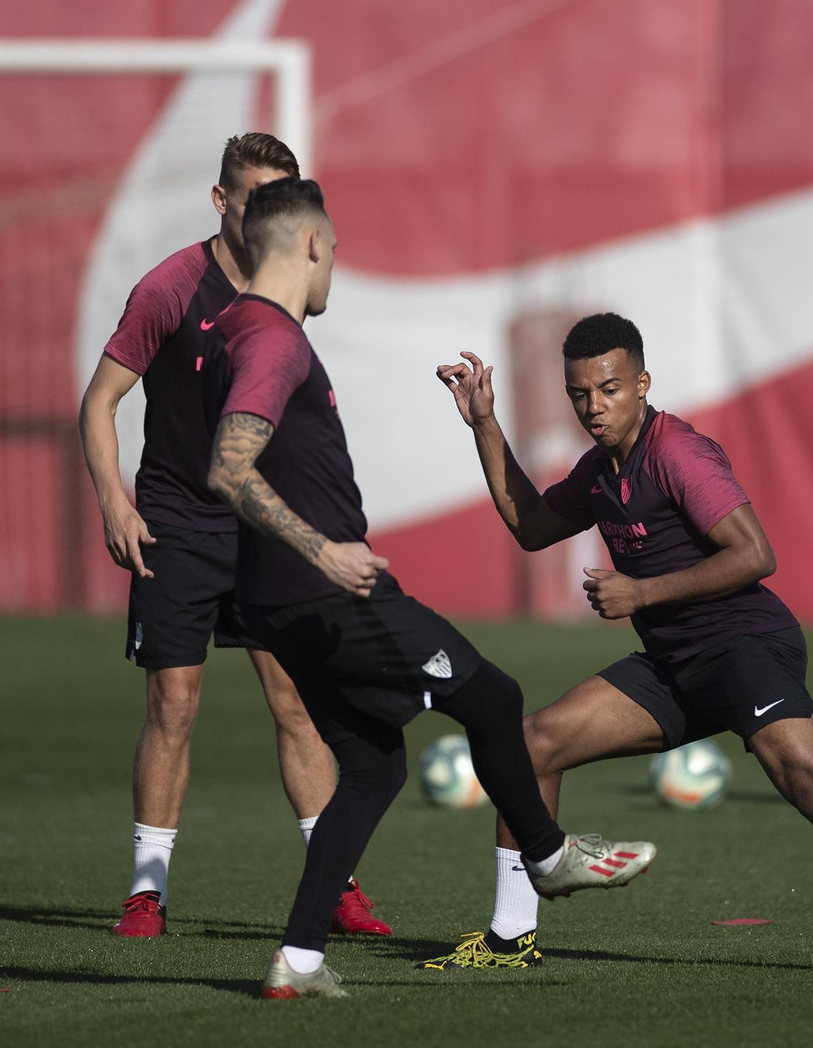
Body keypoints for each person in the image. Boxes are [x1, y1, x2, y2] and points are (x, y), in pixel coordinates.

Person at [418, 314, 813, 980]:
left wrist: (639, 593)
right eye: (580, 394)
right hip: (675, 665)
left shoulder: (678, 452)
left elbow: (755, 554)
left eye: (608, 389)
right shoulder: (600, 469)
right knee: (531, 743)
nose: (593, 407)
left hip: (746, 647)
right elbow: (532, 525)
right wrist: (485, 424)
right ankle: (511, 939)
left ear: (642, 383)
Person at [202, 180, 654, 999]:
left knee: (373, 768)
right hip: (329, 593)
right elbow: (229, 466)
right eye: (333, 250)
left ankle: (298, 960)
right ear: (309, 244)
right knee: (492, 696)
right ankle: (549, 858)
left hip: (271, 602)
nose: (334, 266)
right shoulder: (273, 341)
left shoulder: (227, 328)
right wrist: (324, 551)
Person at [78, 133, 387, 938]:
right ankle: (147, 895)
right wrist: (114, 501)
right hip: (177, 522)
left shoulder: (291, 285)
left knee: (295, 701)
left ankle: (336, 885)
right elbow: (100, 401)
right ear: (221, 201)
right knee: (173, 705)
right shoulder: (171, 288)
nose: (273, 213)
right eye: (257, 197)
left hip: (263, 528)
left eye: (287, 196)